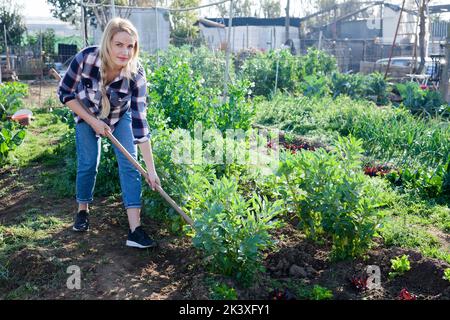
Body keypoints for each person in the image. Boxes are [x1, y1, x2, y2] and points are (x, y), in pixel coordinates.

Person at [57, 18, 160, 249]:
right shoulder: (86, 58)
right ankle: (83, 210)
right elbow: (64, 93)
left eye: (130, 46)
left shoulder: (136, 74)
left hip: (118, 116)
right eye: (119, 44)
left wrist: (151, 171)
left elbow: (140, 123)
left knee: (130, 164)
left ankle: (135, 230)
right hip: (86, 113)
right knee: (88, 163)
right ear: (108, 43)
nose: (125, 52)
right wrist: (93, 121)